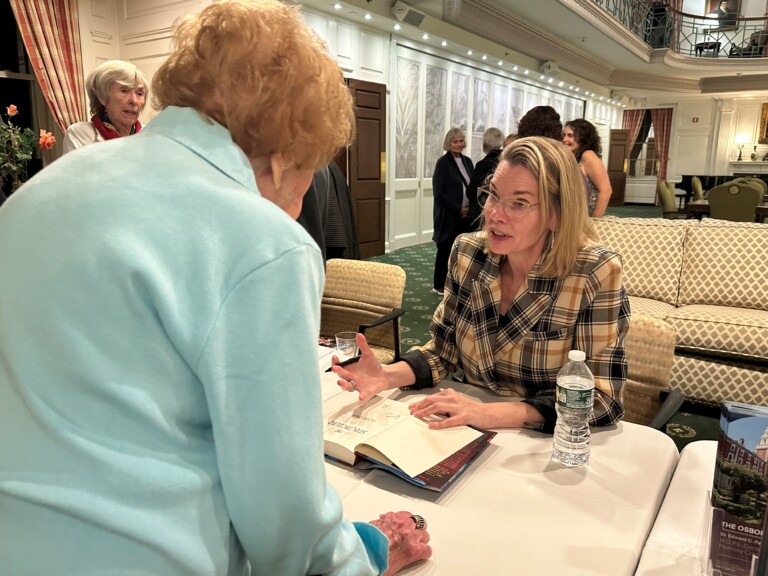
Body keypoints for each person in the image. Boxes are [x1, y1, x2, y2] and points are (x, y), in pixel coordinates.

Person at [0, 1, 432, 575]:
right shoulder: (262, 239)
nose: (303, 202)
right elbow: (286, 521)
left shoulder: (41, 191)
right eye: (311, 171)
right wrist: (370, 553)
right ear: (285, 153)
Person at [332, 136, 628, 434]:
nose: (494, 214)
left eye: (519, 203)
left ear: (556, 212)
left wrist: (488, 413)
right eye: (493, 195)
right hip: (466, 425)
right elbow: (442, 351)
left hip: (540, 440)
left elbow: (600, 399)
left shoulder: (594, 272)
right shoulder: (468, 253)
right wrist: (386, 375)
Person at [62, 59, 148, 153]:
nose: (134, 101)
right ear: (101, 96)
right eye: (124, 91)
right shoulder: (80, 134)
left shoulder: (150, 135)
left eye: (139, 93)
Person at [432, 127, 474, 294]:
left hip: (466, 215)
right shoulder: (442, 163)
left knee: (461, 250)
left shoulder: (468, 161)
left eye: (461, 141)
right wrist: (458, 209)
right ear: (448, 143)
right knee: (445, 250)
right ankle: (439, 285)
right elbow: (439, 193)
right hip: (449, 215)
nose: (459, 144)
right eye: (455, 141)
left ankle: (457, 282)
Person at [563, 118, 613, 217]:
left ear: (583, 138)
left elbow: (606, 190)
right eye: (564, 135)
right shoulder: (573, 158)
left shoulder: (588, 155)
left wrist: (595, 221)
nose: (564, 139)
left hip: (587, 219)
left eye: (570, 135)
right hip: (573, 218)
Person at [465, 127, 504, 231]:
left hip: (482, 215)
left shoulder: (483, 165)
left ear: (484, 145)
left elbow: (471, 192)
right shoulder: (507, 162)